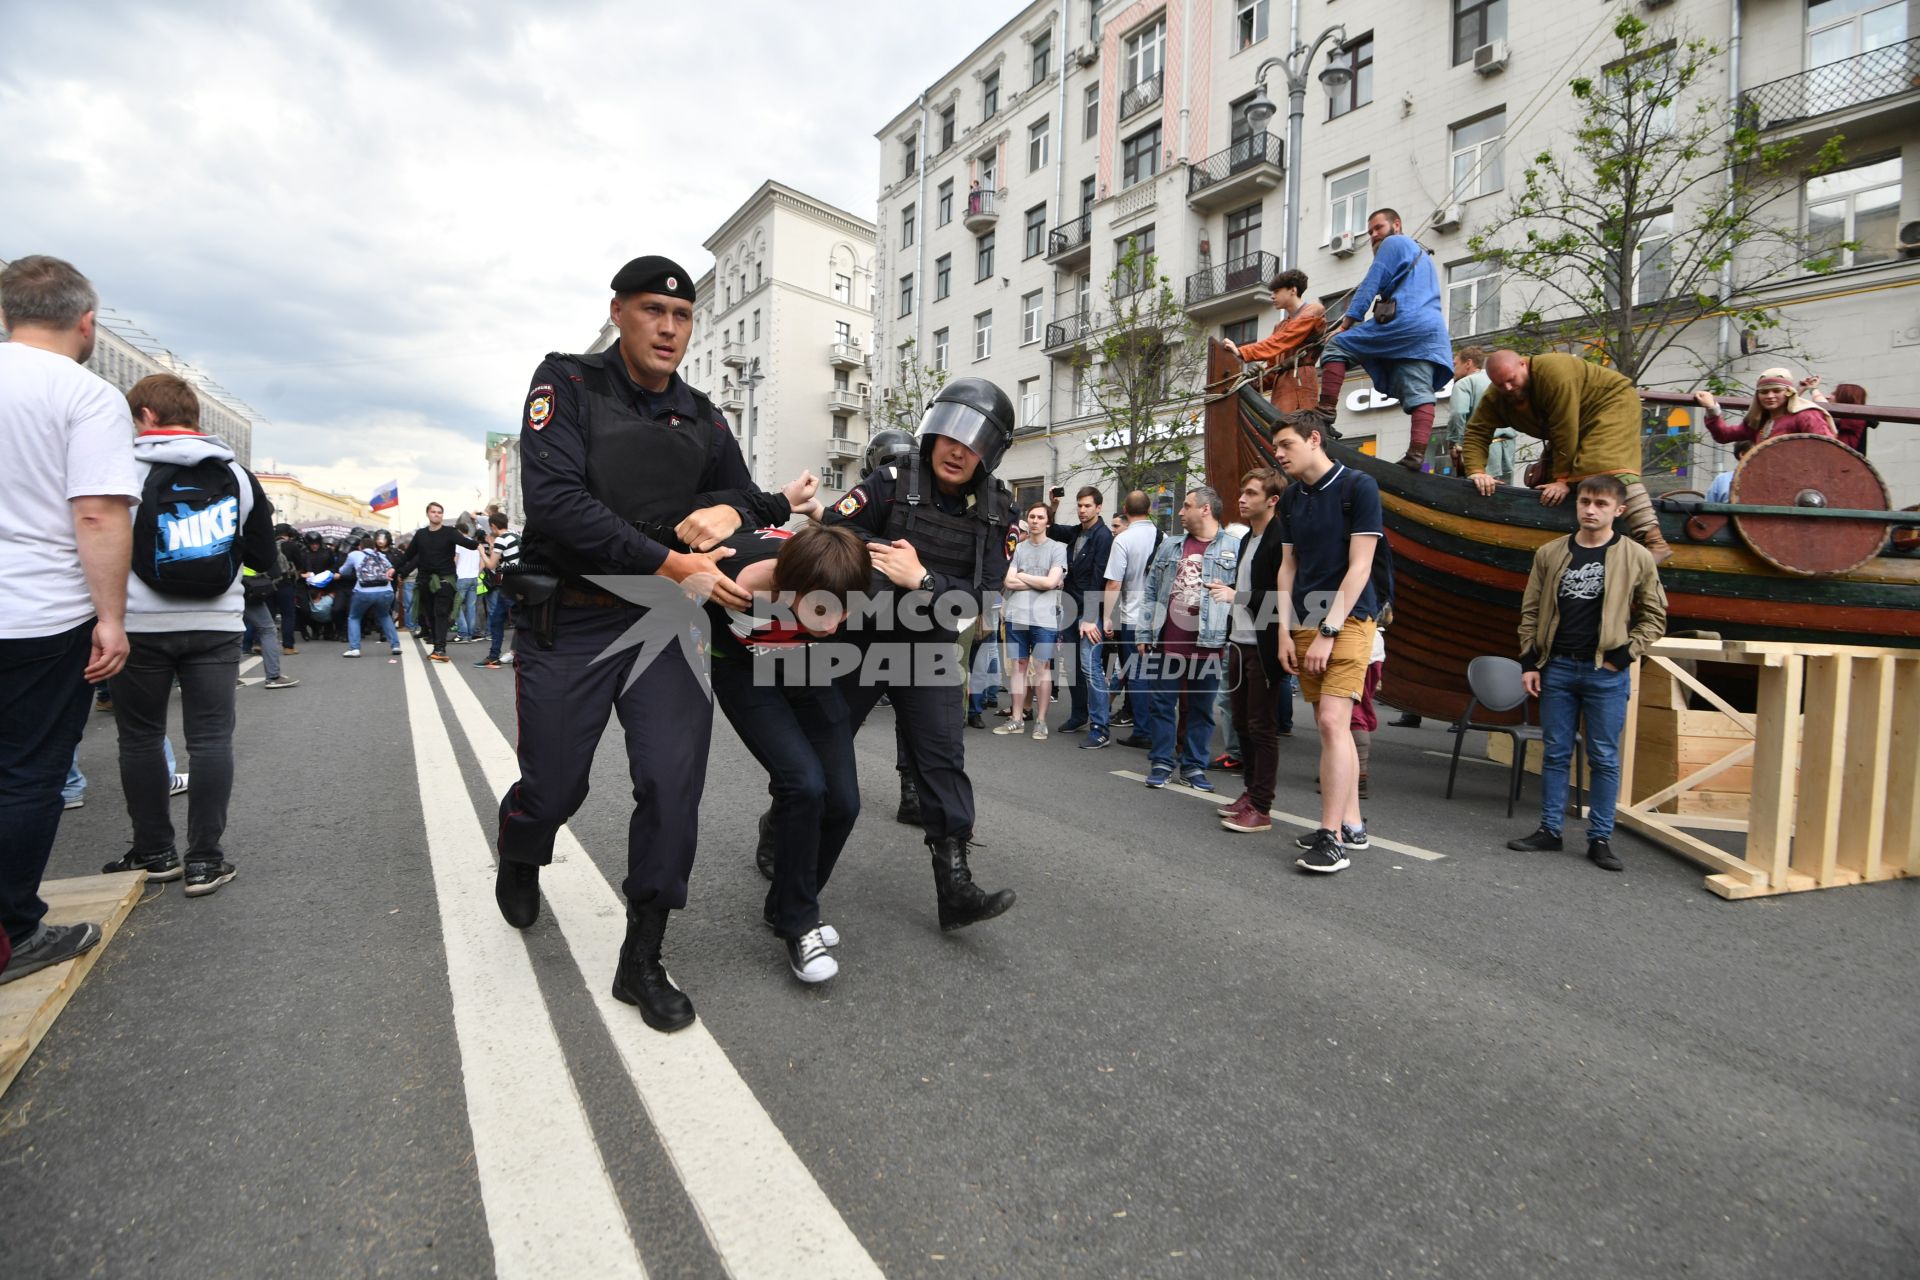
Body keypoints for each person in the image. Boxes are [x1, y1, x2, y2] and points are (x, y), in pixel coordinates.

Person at [495, 255, 800, 1034]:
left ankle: (644, 955)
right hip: (574, 615)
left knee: (672, 786)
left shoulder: (702, 413)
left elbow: (744, 495)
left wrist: (734, 515)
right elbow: (556, 502)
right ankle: (523, 842)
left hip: (668, 622)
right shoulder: (567, 382)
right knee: (556, 786)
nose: (669, 329)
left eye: (682, 316)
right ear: (620, 312)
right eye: (652, 312)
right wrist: (671, 558)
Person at [818, 377, 1020, 931]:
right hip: (861, 642)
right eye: (951, 433)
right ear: (933, 431)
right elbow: (831, 538)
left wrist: (924, 579)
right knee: (822, 751)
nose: (959, 449)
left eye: (974, 439)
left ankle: (954, 887)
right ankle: (780, 830)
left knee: (941, 759)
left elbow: (982, 600)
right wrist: (876, 563)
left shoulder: (998, 508)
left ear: (991, 451)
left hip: (929, 647)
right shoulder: (889, 482)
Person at [0, 256, 141, 984]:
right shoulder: (83, 395)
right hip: (36, 614)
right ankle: (14, 933)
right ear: (86, 323)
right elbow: (96, 510)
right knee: (27, 774)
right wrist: (110, 618)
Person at [103, 373, 275, 897]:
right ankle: (205, 860)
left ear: (148, 416)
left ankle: (155, 852)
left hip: (138, 625)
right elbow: (264, 557)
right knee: (210, 740)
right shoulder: (238, 476)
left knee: (140, 737)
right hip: (215, 626)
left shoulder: (122, 468)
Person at [707, 524, 871, 983]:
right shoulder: (729, 572)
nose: (836, 623)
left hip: (806, 666)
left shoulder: (845, 578)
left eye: (845, 610)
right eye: (823, 609)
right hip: (744, 671)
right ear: (788, 588)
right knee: (802, 785)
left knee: (842, 801)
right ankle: (799, 922)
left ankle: (785, 902)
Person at [1505, 474, 1668, 872]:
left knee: (1604, 758)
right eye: (1585, 502)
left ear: (1619, 510)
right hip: (1557, 667)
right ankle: (1550, 830)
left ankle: (1600, 838)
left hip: (1606, 672)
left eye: (1601, 504)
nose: (1591, 510)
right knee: (1556, 753)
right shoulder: (1549, 554)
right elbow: (1529, 611)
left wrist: (1624, 655)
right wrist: (1530, 662)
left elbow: (1655, 616)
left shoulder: (1636, 556)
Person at [1271, 411, 1385, 874]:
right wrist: (1283, 629)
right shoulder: (1292, 498)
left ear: (1313, 439)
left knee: (1335, 722)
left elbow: (1360, 568)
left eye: (1285, 445)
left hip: (1350, 620)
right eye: (1275, 447)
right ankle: (1352, 825)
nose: (1277, 454)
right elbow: (1287, 568)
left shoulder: (1359, 487)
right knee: (1326, 725)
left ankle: (1331, 836)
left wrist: (1328, 632)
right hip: (1303, 621)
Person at [1462, 350, 1675, 562]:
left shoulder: (1554, 372)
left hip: (1610, 404)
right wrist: (1476, 472)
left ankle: (1654, 541)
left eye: (1511, 380)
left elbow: (1565, 427)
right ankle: (1572, 547)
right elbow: (1477, 430)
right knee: (1547, 486)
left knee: (1605, 467)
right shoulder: (1497, 395)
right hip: (1572, 423)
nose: (1507, 388)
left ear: (1523, 365)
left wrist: (1562, 479)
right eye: (1500, 384)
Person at [1313, 209, 1454, 469]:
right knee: (1419, 390)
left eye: (1378, 228)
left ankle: (1325, 412)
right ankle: (1416, 455)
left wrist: (1346, 323)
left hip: (1405, 321)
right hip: (1429, 331)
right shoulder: (1421, 256)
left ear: (1396, 225)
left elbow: (1371, 282)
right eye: (1370, 232)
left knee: (1336, 346)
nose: (1374, 236)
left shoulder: (1394, 243)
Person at [1137, 487, 1239, 792]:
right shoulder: (1170, 546)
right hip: (1169, 640)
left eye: (1186, 506)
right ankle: (1162, 762)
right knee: (1162, 704)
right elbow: (1151, 591)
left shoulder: (1235, 547)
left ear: (1205, 509)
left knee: (1201, 709)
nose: (1180, 512)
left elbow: (1245, 595)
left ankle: (1194, 766)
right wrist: (1144, 631)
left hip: (1210, 643)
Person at [1219, 468, 1289, 834]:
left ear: (1272, 500)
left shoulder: (1280, 539)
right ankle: (1249, 793)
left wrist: (1237, 596)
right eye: (1242, 492)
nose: (1242, 499)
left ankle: (1262, 806)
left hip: (1264, 645)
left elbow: (1283, 601)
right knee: (1242, 723)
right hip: (1239, 641)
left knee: (1263, 726)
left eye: (1250, 493)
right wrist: (1225, 596)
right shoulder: (1248, 538)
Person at [1045, 485, 1114, 744]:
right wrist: (1053, 506)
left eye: (1087, 506)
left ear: (1099, 507)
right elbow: (1050, 529)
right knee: (1073, 665)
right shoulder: (1076, 532)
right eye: (1080, 505)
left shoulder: (1103, 536)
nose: (1082, 510)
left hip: (1089, 610)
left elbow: (1100, 578)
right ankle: (1079, 715)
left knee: (1090, 666)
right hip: (1070, 607)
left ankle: (1101, 728)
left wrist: (1089, 617)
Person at [995, 502, 1068, 740]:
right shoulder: (1019, 548)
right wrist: (1040, 579)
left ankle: (1041, 721)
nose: (1035, 521)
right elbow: (1008, 582)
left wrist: (1023, 576)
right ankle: (1016, 718)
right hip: (1017, 616)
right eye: (1032, 517)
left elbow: (1051, 582)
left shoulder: (1057, 549)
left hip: (1044, 619)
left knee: (1042, 669)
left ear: (1048, 521)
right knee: (1018, 668)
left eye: (1040, 517)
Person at [1102, 490, 1161, 742]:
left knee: (1136, 674)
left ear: (1125, 509)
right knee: (1153, 674)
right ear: (1149, 509)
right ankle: (1156, 725)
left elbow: (1114, 584)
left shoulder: (1123, 540)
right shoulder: (1164, 537)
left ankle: (1143, 731)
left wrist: (1107, 617)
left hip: (1131, 617)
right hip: (1158, 617)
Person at [1223, 268, 1326, 406]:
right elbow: (1272, 368)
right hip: (1281, 388)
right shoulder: (1280, 326)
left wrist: (1242, 351)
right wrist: (1246, 385)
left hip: (1300, 382)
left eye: (1276, 291)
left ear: (1293, 290)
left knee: (1294, 426)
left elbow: (1280, 341)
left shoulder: (1313, 310)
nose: (1272, 296)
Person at [393, 503, 479, 660]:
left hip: (445, 580)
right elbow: (409, 556)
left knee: (440, 613)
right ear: (428, 514)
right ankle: (437, 646)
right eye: (433, 512)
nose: (437, 514)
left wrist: (478, 539)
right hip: (425, 581)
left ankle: (440, 649)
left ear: (442, 515)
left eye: (440, 512)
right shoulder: (420, 535)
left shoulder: (450, 532)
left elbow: (470, 544)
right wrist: (395, 569)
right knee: (430, 615)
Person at [1692, 369, 1836, 445]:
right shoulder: (1758, 423)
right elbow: (1724, 435)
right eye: (1764, 392)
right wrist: (1712, 409)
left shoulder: (1806, 415)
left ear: (1788, 393)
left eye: (1776, 391)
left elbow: (1826, 448)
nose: (1770, 396)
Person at [1445, 346, 1508, 481]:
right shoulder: (1497, 380)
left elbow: (1458, 413)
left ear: (1468, 363)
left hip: (1479, 448)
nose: (1453, 370)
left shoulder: (1464, 383)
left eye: (1455, 364)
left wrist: (1456, 442)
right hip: (1507, 447)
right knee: (1506, 494)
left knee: (1479, 492)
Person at [340, 535, 401, 658]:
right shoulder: (381, 556)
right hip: (386, 591)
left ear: (359, 547)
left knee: (354, 617)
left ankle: (355, 648)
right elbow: (391, 570)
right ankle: (395, 645)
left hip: (363, 591)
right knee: (385, 616)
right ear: (374, 548)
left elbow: (343, 571)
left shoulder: (354, 555)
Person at [239, 562, 299, 688]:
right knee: (267, 629)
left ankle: (228, 677)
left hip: (220, 585)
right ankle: (273, 676)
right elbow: (274, 569)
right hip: (246, 584)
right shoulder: (250, 542)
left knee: (227, 631)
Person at [474, 512, 520, 668]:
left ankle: (495, 656)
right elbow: (504, 559)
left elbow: (491, 565)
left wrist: (481, 551)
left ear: (493, 526)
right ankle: (495, 655)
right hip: (517, 584)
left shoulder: (501, 538)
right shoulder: (514, 536)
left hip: (508, 585)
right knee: (499, 619)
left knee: (504, 620)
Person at [452, 521, 483, 642]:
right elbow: (482, 563)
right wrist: (476, 572)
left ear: (459, 531)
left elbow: (455, 560)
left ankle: (463, 632)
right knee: (471, 607)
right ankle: (470, 634)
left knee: (456, 606)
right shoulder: (475, 544)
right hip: (473, 578)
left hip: (461, 577)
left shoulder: (459, 543)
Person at [1827, 383, 1876, 455]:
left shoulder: (1857, 419)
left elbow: (1824, 417)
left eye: (1834, 394)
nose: (1828, 397)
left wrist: (1813, 390)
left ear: (1845, 397)